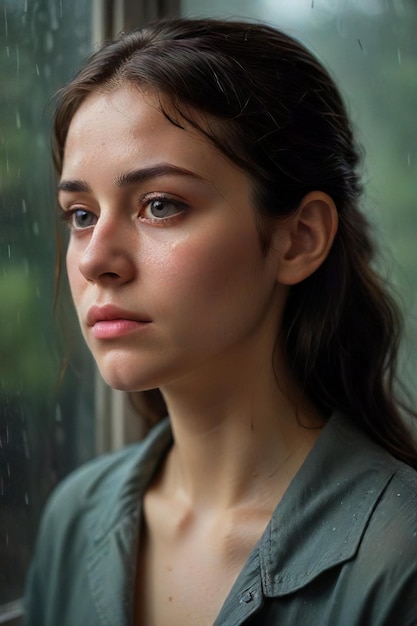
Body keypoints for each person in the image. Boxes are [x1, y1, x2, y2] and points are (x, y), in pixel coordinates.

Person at [24, 17, 417, 626]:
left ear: (298, 240)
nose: (96, 258)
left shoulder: (399, 559)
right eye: (80, 213)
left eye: (160, 205)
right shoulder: (74, 519)